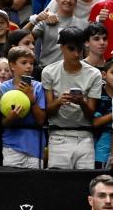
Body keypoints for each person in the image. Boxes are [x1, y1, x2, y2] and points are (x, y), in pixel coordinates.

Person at [43, 26, 104, 169]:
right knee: (58, 184)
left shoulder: (94, 74)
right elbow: (48, 111)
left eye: (80, 49)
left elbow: (91, 115)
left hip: (85, 135)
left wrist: (81, 102)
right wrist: (59, 101)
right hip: (58, 134)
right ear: (62, 47)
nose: (76, 54)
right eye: (71, 49)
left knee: (84, 183)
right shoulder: (49, 72)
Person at [0, 46, 48, 168]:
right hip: (11, 147)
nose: (29, 66)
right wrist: (11, 117)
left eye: (31, 63)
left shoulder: (39, 87)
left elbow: (41, 120)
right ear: (12, 66)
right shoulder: (3, 88)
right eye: (24, 62)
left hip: (35, 148)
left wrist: (32, 100)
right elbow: (1, 123)